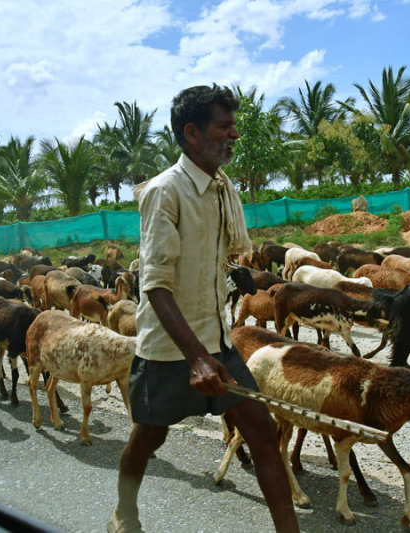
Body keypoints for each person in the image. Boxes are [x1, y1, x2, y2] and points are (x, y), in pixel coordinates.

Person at [107, 85, 299, 533]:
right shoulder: (165, 192)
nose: (234, 135)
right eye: (224, 126)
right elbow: (154, 284)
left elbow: (209, 254)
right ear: (192, 133)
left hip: (216, 340)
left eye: (234, 126)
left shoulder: (219, 188)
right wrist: (195, 357)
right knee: (150, 436)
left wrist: (235, 273)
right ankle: (125, 511)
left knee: (263, 433)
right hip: (171, 350)